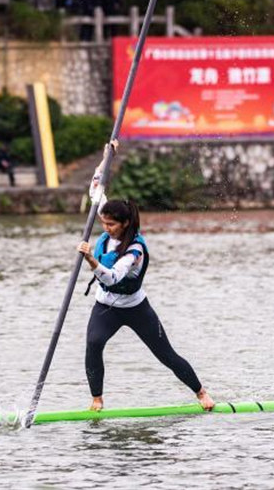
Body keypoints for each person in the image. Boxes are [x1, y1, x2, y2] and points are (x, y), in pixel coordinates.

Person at [76, 140, 215, 413]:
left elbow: (113, 278)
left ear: (125, 223)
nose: (105, 228)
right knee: (93, 344)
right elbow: (96, 183)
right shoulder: (108, 225)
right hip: (105, 306)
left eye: (111, 225)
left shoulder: (135, 251)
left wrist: (91, 260)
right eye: (103, 223)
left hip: (136, 308)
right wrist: (107, 156)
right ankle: (97, 400)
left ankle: (201, 392)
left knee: (165, 355)